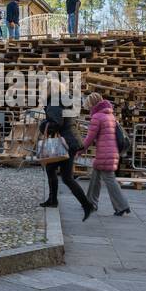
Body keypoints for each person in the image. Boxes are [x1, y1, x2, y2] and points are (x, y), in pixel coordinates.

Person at [39, 80, 96, 219]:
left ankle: (86, 205)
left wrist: (43, 125)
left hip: (65, 142)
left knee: (63, 175)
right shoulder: (64, 100)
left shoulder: (54, 101)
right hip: (71, 141)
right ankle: (54, 200)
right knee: (61, 174)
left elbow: (56, 123)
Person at [80, 92, 131, 217]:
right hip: (111, 152)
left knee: (110, 179)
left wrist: (79, 150)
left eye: (88, 105)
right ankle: (90, 203)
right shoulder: (110, 115)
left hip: (105, 153)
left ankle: (122, 206)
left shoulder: (97, 117)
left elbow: (89, 138)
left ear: (92, 104)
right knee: (95, 177)